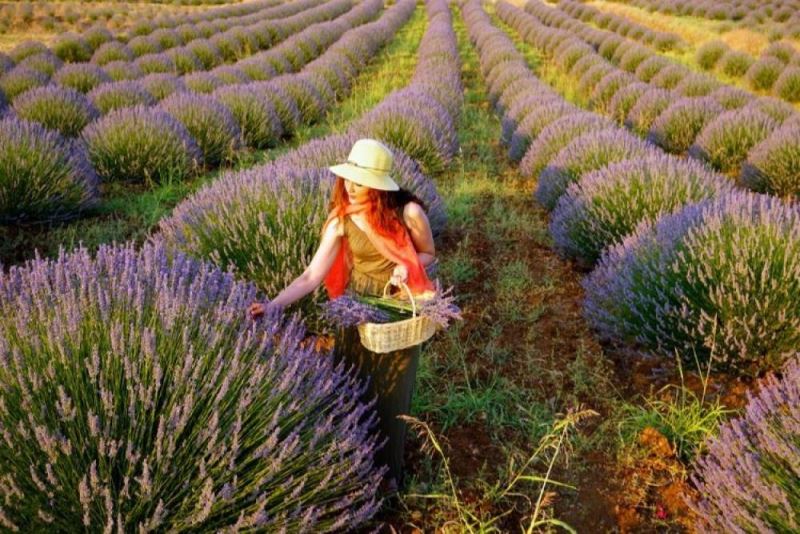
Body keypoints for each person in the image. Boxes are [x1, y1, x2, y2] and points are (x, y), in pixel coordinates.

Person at [248, 138, 437, 491]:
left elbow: (427, 254)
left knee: (391, 393)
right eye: (348, 178)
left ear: (378, 186)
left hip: (394, 310)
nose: (349, 186)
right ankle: (358, 475)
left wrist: (404, 270)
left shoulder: (408, 212)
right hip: (355, 313)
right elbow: (311, 276)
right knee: (356, 388)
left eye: (359, 181)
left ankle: (390, 477)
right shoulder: (341, 219)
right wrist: (273, 304)